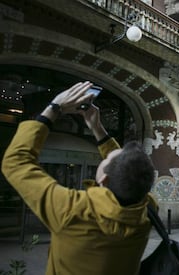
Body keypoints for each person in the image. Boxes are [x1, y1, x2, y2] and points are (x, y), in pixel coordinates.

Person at [1, 81, 157, 275]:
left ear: (104, 180)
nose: (106, 154)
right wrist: (97, 127)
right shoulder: (147, 210)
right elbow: (127, 171)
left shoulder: (73, 211)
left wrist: (54, 109)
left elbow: (15, 162)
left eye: (107, 157)